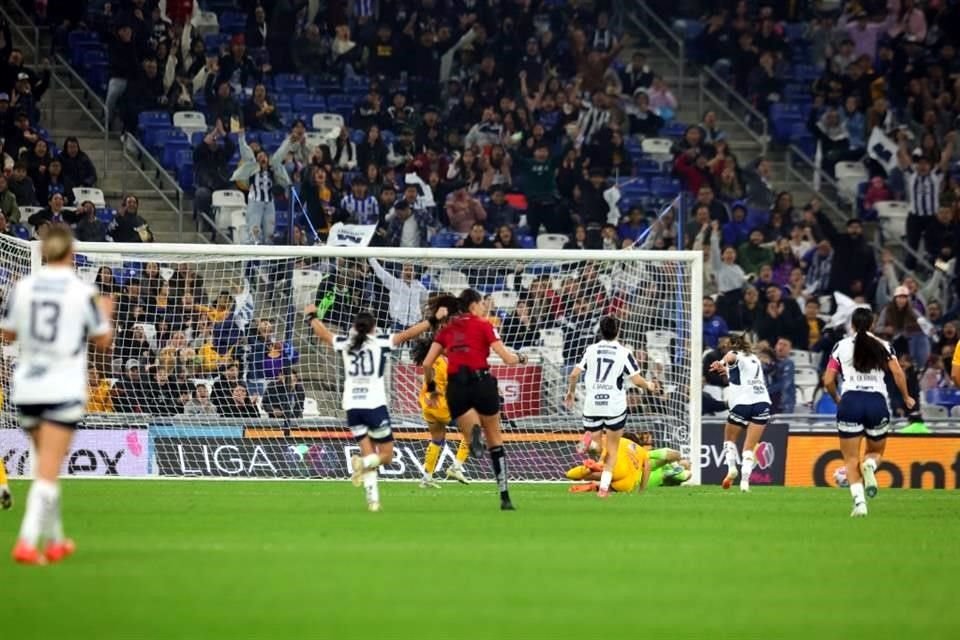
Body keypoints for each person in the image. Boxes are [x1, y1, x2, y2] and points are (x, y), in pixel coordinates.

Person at [1, 225, 113, 564]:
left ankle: (56, 540)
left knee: (41, 463)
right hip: (61, 386)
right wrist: (107, 313)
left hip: (26, 386)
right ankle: (26, 543)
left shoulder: (23, 287)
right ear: (71, 254)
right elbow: (103, 341)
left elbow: (6, 335)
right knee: (49, 470)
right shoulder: (82, 290)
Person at [304, 305, 440, 512]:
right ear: (373, 327)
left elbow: (323, 333)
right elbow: (409, 334)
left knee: (367, 450)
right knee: (386, 456)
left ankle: (373, 500)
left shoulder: (346, 343)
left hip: (352, 407)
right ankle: (363, 463)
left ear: (354, 328)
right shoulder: (381, 342)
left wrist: (312, 316)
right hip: (374, 405)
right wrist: (432, 320)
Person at [421, 289, 528, 511]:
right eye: (481, 304)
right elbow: (507, 359)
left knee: (468, 424)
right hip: (481, 381)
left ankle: (473, 435)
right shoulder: (484, 325)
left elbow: (426, 364)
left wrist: (431, 388)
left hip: (457, 388)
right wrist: (521, 358)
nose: (484, 308)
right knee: (496, 440)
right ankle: (504, 495)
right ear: (473, 306)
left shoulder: (447, 330)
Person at [823, 308, 915, 517]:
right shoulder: (884, 346)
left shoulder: (841, 346)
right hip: (876, 402)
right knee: (875, 452)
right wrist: (907, 397)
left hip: (850, 402)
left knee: (850, 458)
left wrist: (837, 398)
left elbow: (828, 380)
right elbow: (898, 373)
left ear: (852, 325)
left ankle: (860, 503)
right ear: (873, 324)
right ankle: (871, 465)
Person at [563, 316, 660, 498]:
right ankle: (603, 489)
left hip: (592, 404)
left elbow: (574, 374)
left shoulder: (591, 350)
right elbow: (637, 381)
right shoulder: (624, 352)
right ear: (618, 331)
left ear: (600, 331)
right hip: (614, 405)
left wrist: (570, 393)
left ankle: (588, 443)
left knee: (597, 448)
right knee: (612, 450)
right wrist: (650, 385)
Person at [409, 296, 475, 487]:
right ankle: (456, 466)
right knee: (475, 429)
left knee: (437, 439)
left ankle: (427, 478)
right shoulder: (443, 363)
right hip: (442, 407)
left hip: (427, 406)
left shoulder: (431, 361)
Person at [708, 334, 772, 492]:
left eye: (726, 345)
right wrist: (725, 370)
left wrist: (720, 362)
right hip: (762, 402)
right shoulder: (754, 358)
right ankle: (745, 482)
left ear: (732, 345)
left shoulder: (734, 354)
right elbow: (740, 375)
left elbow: (731, 357)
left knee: (729, 439)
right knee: (749, 447)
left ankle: (731, 468)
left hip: (742, 403)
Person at [230, 129, 290, 244]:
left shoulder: (273, 169)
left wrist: (288, 142)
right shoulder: (253, 168)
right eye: (260, 157)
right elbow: (245, 152)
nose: (263, 158)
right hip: (255, 202)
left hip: (269, 203)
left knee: (269, 235)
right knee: (254, 232)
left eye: (264, 156)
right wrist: (241, 138)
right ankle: (252, 260)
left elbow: (280, 154)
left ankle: (265, 261)